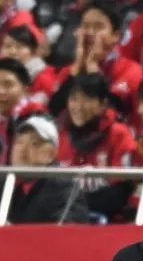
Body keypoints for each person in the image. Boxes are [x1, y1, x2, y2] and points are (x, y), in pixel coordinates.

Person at [0, 114, 90, 224]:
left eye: (35, 144)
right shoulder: (7, 185)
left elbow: (69, 235)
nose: (22, 150)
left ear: (51, 153)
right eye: (19, 142)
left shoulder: (66, 189)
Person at [56, 73, 136, 223]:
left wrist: (75, 203)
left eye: (86, 99)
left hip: (110, 222)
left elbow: (121, 191)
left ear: (103, 104)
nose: (78, 106)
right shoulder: (62, 136)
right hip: (69, 218)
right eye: (74, 99)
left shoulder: (119, 134)